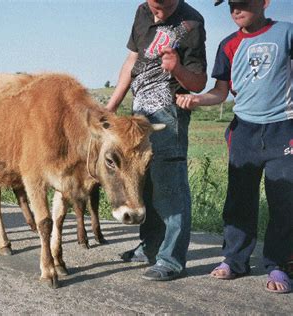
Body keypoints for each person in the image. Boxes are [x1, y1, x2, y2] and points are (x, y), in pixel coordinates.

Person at [177, 0, 292, 294]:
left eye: (243, 3)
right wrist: (198, 99)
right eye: (231, 5)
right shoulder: (229, 44)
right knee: (240, 198)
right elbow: (220, 91)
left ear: (265, 2)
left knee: (284, 199)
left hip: (283, 127)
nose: (236, 10)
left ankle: (278, 263)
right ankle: (235, 259)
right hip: (244, 130)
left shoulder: (286, 33)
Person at [106, 0, 207, 281]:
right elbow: (131, 60)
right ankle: (150, 248)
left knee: (169, 186)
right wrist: (112, 106)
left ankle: (171, 260)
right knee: (144, 183)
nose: (156, 13)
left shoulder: (192, 23)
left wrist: (176, 68)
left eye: (162, 9)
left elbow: (198, 82)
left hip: (168, 115)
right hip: (140, 113)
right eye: (153, 7)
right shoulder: (142, 11)